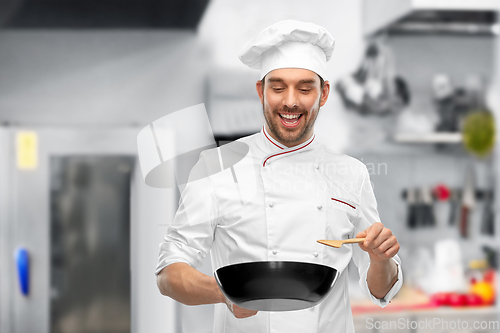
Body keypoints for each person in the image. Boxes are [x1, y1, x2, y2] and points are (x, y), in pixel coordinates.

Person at [155, 20, 403, 333]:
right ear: (260, 91)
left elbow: (381, 290)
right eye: (277, 87)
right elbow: (168, 273)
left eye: (305, 88)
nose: (290, 101)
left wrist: (380, 259)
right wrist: (225, 294)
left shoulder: (350, 173)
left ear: (323, 93)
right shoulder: (216, 166)